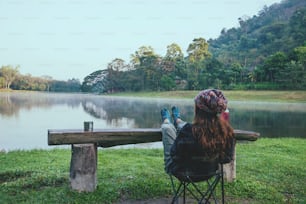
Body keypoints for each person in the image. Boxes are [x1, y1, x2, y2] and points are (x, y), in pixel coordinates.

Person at [161, 89, 235, 175]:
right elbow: (227, 158)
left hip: (183, 172)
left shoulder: (188, 130)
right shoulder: (227, 132)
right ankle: (177, 120)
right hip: (209, 173)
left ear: (198, 109)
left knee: (167, 128)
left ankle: (167, 121)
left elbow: (174, 155)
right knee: (183, 126)